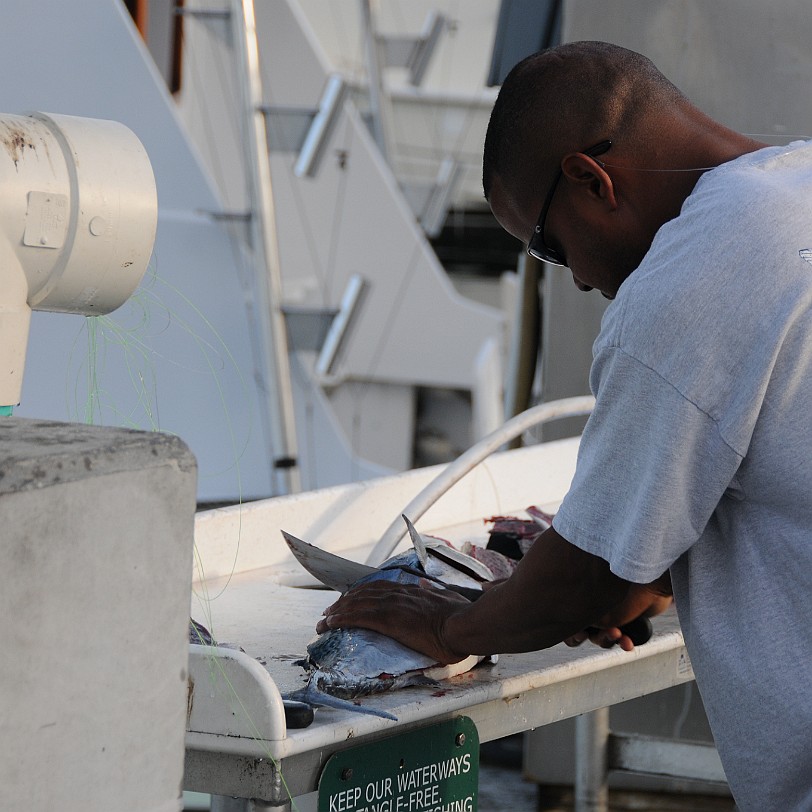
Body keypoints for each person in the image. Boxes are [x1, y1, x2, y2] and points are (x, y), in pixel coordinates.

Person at [317, 41, 812, 811]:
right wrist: (633, 580)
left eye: (548, 245)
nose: (578, 276)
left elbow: (592, 581)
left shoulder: (691, 281)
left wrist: (455, 627)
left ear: (591, 179)